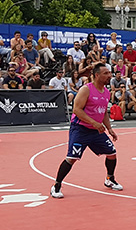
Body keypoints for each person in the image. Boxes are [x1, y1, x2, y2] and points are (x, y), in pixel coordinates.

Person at [50, 62, 122, 198]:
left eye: (109, 73)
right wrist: (94, 123)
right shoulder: (86, 89)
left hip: (96, 130)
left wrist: (109, 128)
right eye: (106, 73)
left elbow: (104, 112)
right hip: (80, 129)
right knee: (72, 158)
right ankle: (56, 185)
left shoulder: (106, 92)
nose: (109, 76)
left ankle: (109, 179)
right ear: (96, 75)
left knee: (112, 153)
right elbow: (76, 110)